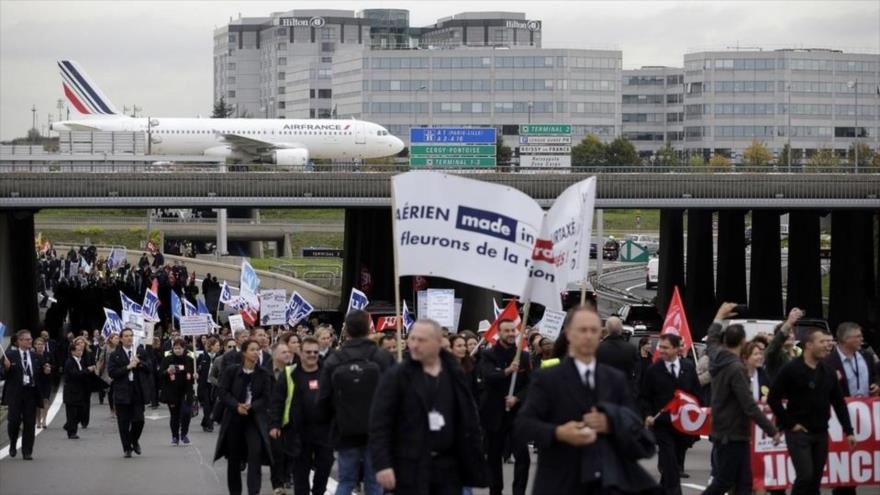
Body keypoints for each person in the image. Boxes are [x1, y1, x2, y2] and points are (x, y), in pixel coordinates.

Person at [516, 306, 659, 494]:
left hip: (606, 481)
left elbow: (636, 428)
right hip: (560, 482)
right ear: (568, 334)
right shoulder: (547, 379)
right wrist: (558, 432)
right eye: (582, 330)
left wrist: (611, 422)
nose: (589, 336)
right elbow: (523, 425)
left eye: (594, 330)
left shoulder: (614, 379)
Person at [369, 319, 488, 494]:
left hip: (449, 467)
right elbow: (380, 423)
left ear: (438, 342)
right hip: (410, 467)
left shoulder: (454, 373)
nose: (415, 345)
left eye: (422, 340)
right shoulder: (398, 376)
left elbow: (468, 417)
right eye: (412, 339)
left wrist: (474, 455)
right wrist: (383, 464)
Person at [702, 303, 781, 495]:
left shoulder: (717, 356)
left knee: (744, 481)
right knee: (724, 481)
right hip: (733, 432)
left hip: (726, 430)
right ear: (743, 342)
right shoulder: (736, 369)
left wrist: (719, 315)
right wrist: (772, 430)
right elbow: (748, 404)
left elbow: (711, 339)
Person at [768, 327, 856, 495]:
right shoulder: (791, 369)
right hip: (799, 433)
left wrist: (849, 431)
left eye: (827, 342)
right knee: (805, 476)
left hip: (821, 432)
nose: (826, 345)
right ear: (809, 345)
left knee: (815, 479)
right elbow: (773, 398)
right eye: (821, 342)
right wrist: (790, 424)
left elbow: (839, 403)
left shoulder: (828, 372)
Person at [318, 310, 395, 495]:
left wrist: (331, 422)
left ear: (346, 331)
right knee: (374, 483)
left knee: (346, 481)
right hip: (377, 430)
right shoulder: (382, 357)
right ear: (369, 329)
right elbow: (395, 393)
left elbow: (323, 398)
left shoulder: (335, 359)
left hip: (345, 429)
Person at [271, 336, 335, 495]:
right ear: (300, 352)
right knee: (300, 473)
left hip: (325, 431)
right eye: (308, 352)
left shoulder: (328, 372)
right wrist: (275, 424)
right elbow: (278, 400)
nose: (312, 355)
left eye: (315, 352)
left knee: (324, 468)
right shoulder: (289, 373)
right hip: (298, 431)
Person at [639, 333, 700, 495]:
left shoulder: (688, 368)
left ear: (676, 348)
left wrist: (698, 414)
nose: (661, 350)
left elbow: (696, 394)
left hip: (683, 425)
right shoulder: (653, 370)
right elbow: (644, 397)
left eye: (666, 347)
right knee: (670, 463)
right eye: (660, 347)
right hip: (662, 425)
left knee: (672, 466)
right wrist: (647, 415)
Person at [214, 339, 274, 495]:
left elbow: (266, 397)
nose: (256, 352)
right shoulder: (231, 371)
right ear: (244, 352)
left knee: (255, 456)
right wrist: (236, 406)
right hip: (234, 419)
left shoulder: (263, 374)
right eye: (252, 349)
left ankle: (254, 491)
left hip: (254, 420)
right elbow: (223, 392)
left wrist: (252, 406)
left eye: (258, 350)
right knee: (234, 459)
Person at [823, 322, 878, 495]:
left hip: (866, 416)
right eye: (858, 336)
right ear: (846, 339)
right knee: (844, 460)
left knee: (865, 458)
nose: (862, 339)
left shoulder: (866, 357)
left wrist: (876, 384)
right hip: (841, 418)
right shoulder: (828, 362)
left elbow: (876, 374)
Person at [478, 319, 531, 495]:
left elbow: (530, 384)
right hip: (494, 413)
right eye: (506, 331)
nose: (510, 334)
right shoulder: (488, 355)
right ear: (498, 333)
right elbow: (488, 376)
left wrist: (517, 398)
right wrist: (507, 371)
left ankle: (519, 491)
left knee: (522, 456)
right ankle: (496, 490)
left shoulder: (523, 356)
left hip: (517, 415)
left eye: (512, 330)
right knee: (494, 457)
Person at [2, 329, 50, 459]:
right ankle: (12, 443)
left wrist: (46, 370)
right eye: (28, 339)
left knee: (30, 423)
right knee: (14, 422)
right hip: (16, 394)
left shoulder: (35, 356)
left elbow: (42, 370)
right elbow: (2, 375)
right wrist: (6, 368)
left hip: (30, 393)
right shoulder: (9, 355)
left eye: (30, 339)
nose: (30, 341)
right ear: (20, 341)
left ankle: (27, 451)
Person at [108, 327, 154, 458]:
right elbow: (112, 373)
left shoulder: (140, 352)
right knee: (123, 423)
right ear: (121, 339)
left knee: (139, 420)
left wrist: (139, 364)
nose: (129, 338)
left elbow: (149, 367)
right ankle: (127, 448)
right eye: (126, 336)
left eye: (131, 335)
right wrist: (128, 367)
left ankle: (134, 440)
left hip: (137, 390)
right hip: (122, 391)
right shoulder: (115, 354)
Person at [160, 338, 195, 445]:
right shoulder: (167, 359)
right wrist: (167, 371)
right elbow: (160, 374)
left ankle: (184, 434)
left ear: (184, 349)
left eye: (179, 348)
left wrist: (195, 376)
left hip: (186, 391)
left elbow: (193, 373)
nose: (177, 350)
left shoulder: (189, 359)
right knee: (174, 415)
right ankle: (175, 436)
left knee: (186, 413)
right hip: (172, 392)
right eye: (175, 348)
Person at [268, 341, 292, 495]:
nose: (287, 354)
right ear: (274, 354)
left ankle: (286, 477)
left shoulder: (294, 371)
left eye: (288, 352)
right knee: (276, 453)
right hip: (273, 418)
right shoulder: (265, 371)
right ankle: (278, 483)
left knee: (289, 452)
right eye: (283, 352)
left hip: (291, 419)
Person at [597, 316, 639, 393]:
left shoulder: (598, 348)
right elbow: (636, 371)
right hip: (624, 392)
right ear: (621, 329)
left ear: (607, 329)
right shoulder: (631, 349)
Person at [63, 339, 96, 439]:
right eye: (77, 351)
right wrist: (87, 370)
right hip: (71, 392)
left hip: (80, 391)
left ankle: (68, 426)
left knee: (81, 412)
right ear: (72, 351)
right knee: (72, 413)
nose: (80, 352)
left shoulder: (80, 361)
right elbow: (74, 374)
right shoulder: (70, 362)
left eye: (81, 351)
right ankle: (72, 432)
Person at [765, 308, 804, 381]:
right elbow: (775, 345)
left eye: (791, 332)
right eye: (787, 333)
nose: (789, 335)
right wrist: (789, 323)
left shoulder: (801, 353)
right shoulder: (775, 354)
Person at [198, 336, 220, 432]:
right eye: (217, 345)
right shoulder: (202, 357)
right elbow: (197, 370)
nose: (219, 347)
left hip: (215, 385)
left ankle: (204, 422)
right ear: (211, 346)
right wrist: (196, 373)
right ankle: (209, 424)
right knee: (206, 405)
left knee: (213, 405)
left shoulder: (220, 358)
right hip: (205, 385)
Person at [32, 336, 53, 429]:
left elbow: (55, 364)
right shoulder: (32, 355)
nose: (40, 346)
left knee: (46, 400)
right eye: (38, 344)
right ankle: (37, 420)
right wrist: (42, 368)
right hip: (37, 380)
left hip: (47, 381)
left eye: (42, 344)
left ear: (44, 345)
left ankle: (44, 420)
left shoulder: (48, 355)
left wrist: (50, 367)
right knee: (37, 402)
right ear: (35, 345)